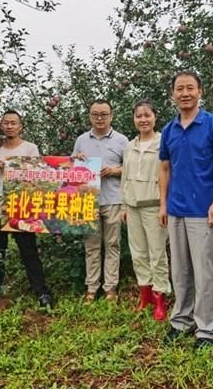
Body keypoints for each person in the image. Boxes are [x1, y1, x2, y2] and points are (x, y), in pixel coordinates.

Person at [159, 71, 213, 350]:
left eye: (190, 88)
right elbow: (164, 169)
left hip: (204, 210)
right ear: (173, 94)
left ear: (200, 91)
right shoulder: (169, 130)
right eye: (180, 88)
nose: (185, 93)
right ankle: (182, 320)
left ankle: (207, 329)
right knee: (180, 270)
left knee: (206, 272)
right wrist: (163, 204)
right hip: (176, 209)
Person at [0, 109, 53, 308]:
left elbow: (38, 176)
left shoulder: (30, 149)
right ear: (1, 125)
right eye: (6, 123)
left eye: (14, 123)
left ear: (21, 126)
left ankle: (41, 291)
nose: (10, 126)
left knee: (28, 250)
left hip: (22, 207)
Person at [73, 99, 129, 302]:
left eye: (104, 114)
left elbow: (130, 167)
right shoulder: (81, 140)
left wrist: (113, 170)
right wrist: (77, 161)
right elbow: (72, 170)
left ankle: (110, 288)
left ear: (111, 116)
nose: (99, 118)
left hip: (113, 199)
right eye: (95, 114)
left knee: (113, 244)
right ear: (89, 116)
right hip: (88, 201)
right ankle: (91, 287)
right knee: (91, 246)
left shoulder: (122, 141)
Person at [120, 100, 171, 321]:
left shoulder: (163, 142)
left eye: (147, 115)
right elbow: (125, 176)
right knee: (138, 253)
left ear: (155, 117)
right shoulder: (129, 146)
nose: (143, 119)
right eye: (139, 116)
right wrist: (123, 205)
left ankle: (161, 297)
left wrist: (164, 205)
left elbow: (167, 174)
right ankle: (145, 294)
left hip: (154, 205)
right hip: (132, 207)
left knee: (157, 254)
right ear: (134, 119)